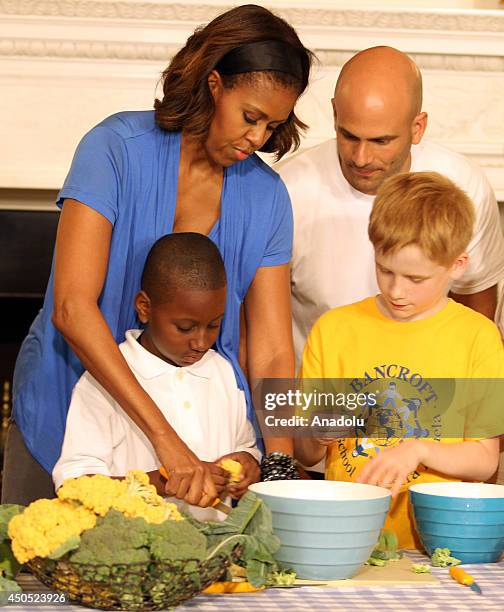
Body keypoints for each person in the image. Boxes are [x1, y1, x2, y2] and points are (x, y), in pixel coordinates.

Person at [3, 4, 314, 506]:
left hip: (203, 440)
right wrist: (168, 442)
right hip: (66, 407)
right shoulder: (115, 149)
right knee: (34, 583)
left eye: (272, 125)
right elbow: (72, 308)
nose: (258, 138)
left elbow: (273, 349)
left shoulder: (267, 196)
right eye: (250, 117)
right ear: (214, 84)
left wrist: (277, 463)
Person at [296, 171, 503, 548]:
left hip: (438, 544)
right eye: (385, 270)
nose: (396, 290)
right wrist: (318, 432)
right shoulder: (333, 330)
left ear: (457, 265)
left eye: (415, 278)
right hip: (345, 539)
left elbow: (486, 460)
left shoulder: (479, 338)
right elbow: (306, 451)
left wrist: (419, 449)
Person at [277, 46, 504, 367]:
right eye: (349, 136)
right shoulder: (285, 191)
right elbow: (262, 334)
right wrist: (280, 418)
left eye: (381, 141)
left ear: (417, 127)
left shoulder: (464, 186)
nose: (361, 158)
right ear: (334, 114)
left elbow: (476, 315)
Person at [53, 233, 261, 520]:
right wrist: (161, 482)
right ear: (145, 308)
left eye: (214, 325)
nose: (201, 342)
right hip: (130, 558)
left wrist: (248, 461)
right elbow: (74, 485)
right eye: (185, 328)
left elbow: (244, 443)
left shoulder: (221, 371)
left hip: (212, 554)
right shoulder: (104, 379)